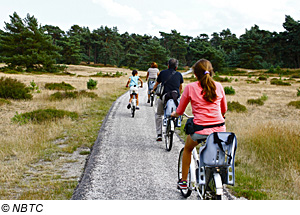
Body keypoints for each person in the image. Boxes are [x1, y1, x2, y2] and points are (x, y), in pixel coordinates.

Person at [171, 59, 227, 190]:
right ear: (211, 72)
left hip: (200, 130)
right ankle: (213, 174)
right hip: (220, 129)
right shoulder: (218, 86)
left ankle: (184, 181)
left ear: (195, 74)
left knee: (188, 149)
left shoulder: (191, 87)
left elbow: (180, 111)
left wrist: (175, 114)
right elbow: (224, 109)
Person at [152, 58, 183, 141]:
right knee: (178, 111)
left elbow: (157, 84)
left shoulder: (162, 73)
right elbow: (180, 87)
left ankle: (159, 134)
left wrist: (153, 90)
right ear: (176, 67)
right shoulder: (179, 75)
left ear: (168, 65)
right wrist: (179, 95)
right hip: (175, 97)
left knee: (158, 114)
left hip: (164, 97)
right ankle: (176, 121)